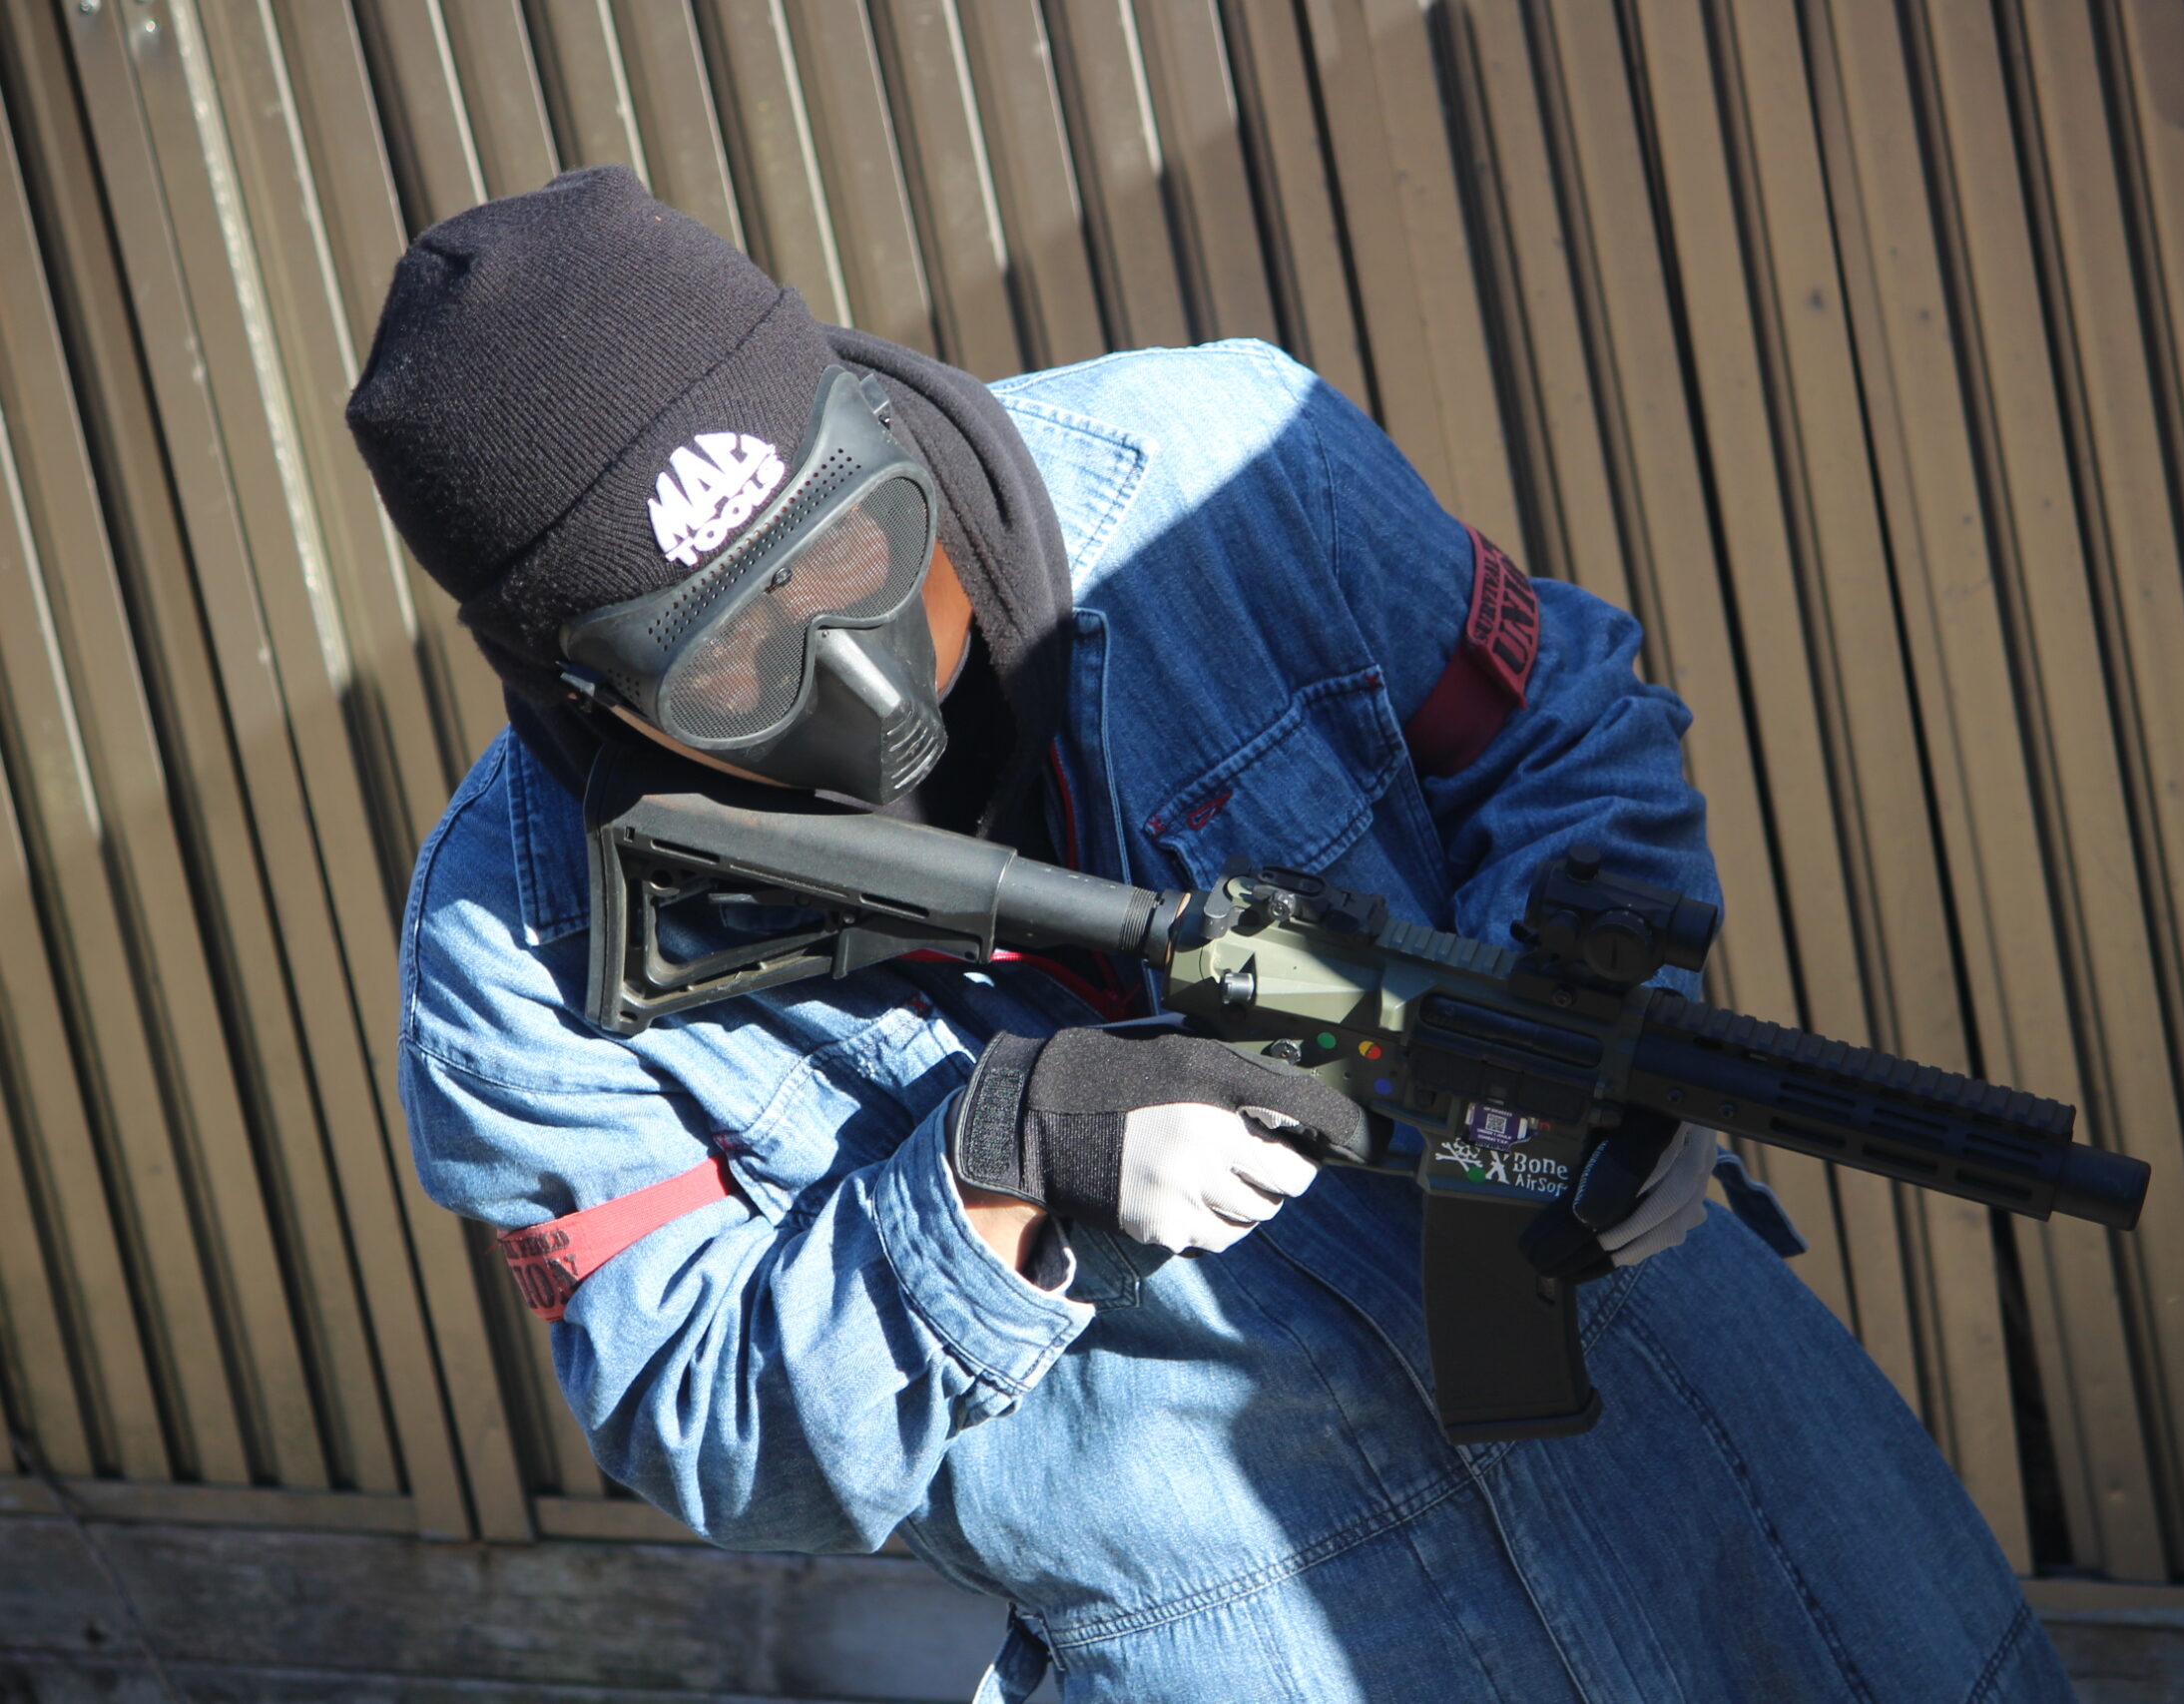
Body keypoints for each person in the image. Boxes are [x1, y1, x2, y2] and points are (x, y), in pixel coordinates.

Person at [353, 167, 2072, 1703]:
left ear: (869, 422)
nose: (862, 673)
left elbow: (1561, 730)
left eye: (862, 554)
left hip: (1733, 1481)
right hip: (1224, 1640)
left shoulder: (1227, 469)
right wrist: (1005, 1175)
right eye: (733, 663)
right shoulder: (516, 952)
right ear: (584, 687)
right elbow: (716, 1431)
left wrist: (1600, 1028)